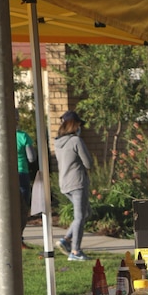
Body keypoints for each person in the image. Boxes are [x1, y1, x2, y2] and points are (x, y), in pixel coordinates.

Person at [54, 110, 93, 261]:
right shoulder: (76, 141)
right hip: (77, 182)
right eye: (78, 124)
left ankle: (66, 240)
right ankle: (75, 251)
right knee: (79, 217)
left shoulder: (58, 142)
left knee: (85, 213)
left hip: (64, 183)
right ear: (73, 125)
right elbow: (88, 163)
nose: (79, 127)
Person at [16, 114, 38, 249]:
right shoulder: (23, 137)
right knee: (22, 208)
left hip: (1, 176)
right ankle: (19, 238)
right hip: (21, 174)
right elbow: (31, 158)